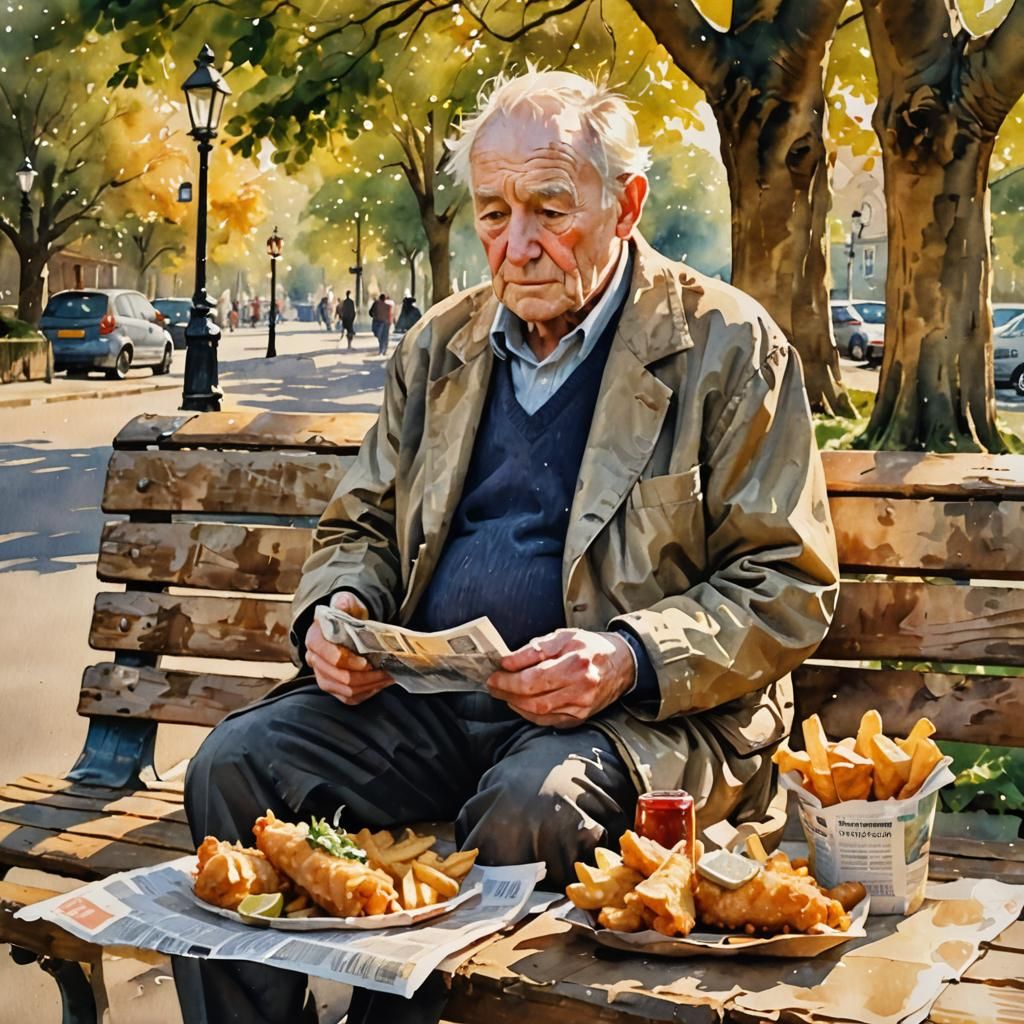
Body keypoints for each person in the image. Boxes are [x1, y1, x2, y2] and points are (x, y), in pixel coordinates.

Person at [176, 69, 839, 1024]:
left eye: (549, 209)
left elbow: (790, 584)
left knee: (532, 806)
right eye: (492, 213)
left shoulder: (727, 347)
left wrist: (630, 655)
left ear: (626, 203)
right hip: (436, 705)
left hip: (637, 728)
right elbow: (356, 525)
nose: (516, 245)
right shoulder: (439, 345)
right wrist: (340, 613)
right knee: (234, 766)